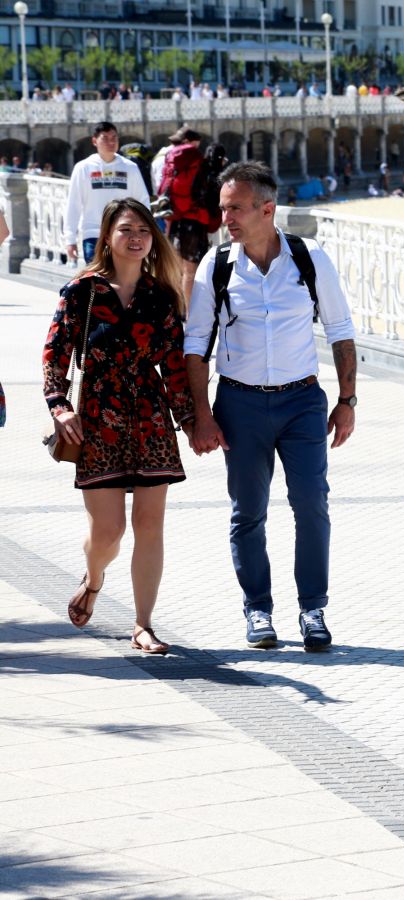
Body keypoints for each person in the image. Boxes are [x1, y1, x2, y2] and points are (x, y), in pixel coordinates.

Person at [182, 162, 357, 651]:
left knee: (312, 505)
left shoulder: (309, 258)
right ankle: (258, 610)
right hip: (239, 404)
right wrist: (202, 414)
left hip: (302, 401)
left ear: (267, 208)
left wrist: (347, 400)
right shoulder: (215, 267)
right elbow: (195, 344)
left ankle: (313, 609)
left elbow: (340, 331)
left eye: (235, 208)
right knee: (248, 514)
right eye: (222, 208)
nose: (226, 218)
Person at [42, 198, 194, 654]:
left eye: (144, 231)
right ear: (108, 235)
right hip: (97, 419)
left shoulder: (161, 296)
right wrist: (59, 407)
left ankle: (143, 624)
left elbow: (174, 365)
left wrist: (191, 420)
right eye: (126, 229)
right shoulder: (81, 292)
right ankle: (93, 578)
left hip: (150, 419)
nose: (136, 238)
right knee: (108, 532)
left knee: (150, 524)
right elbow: (55, 354)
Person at [64, 121, 150, 264]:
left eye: (114, 138)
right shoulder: (83, 168)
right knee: (97, 283)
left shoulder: (130, 168)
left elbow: (142, 201)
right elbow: (73, 204)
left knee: (122, 281)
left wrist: (145, 232)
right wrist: (70, 239)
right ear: (94, 141)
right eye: (105, 138)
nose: (111, 142)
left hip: (125, 234)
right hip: (93, 234)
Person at [159, 130, 228, 302]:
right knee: (191, 271)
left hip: (175, 219)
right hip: (194, 224)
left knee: (177, 269)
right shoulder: (201, 165)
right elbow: (212, 199)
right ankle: (190, 314)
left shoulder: (171, 160)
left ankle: (177, 309)